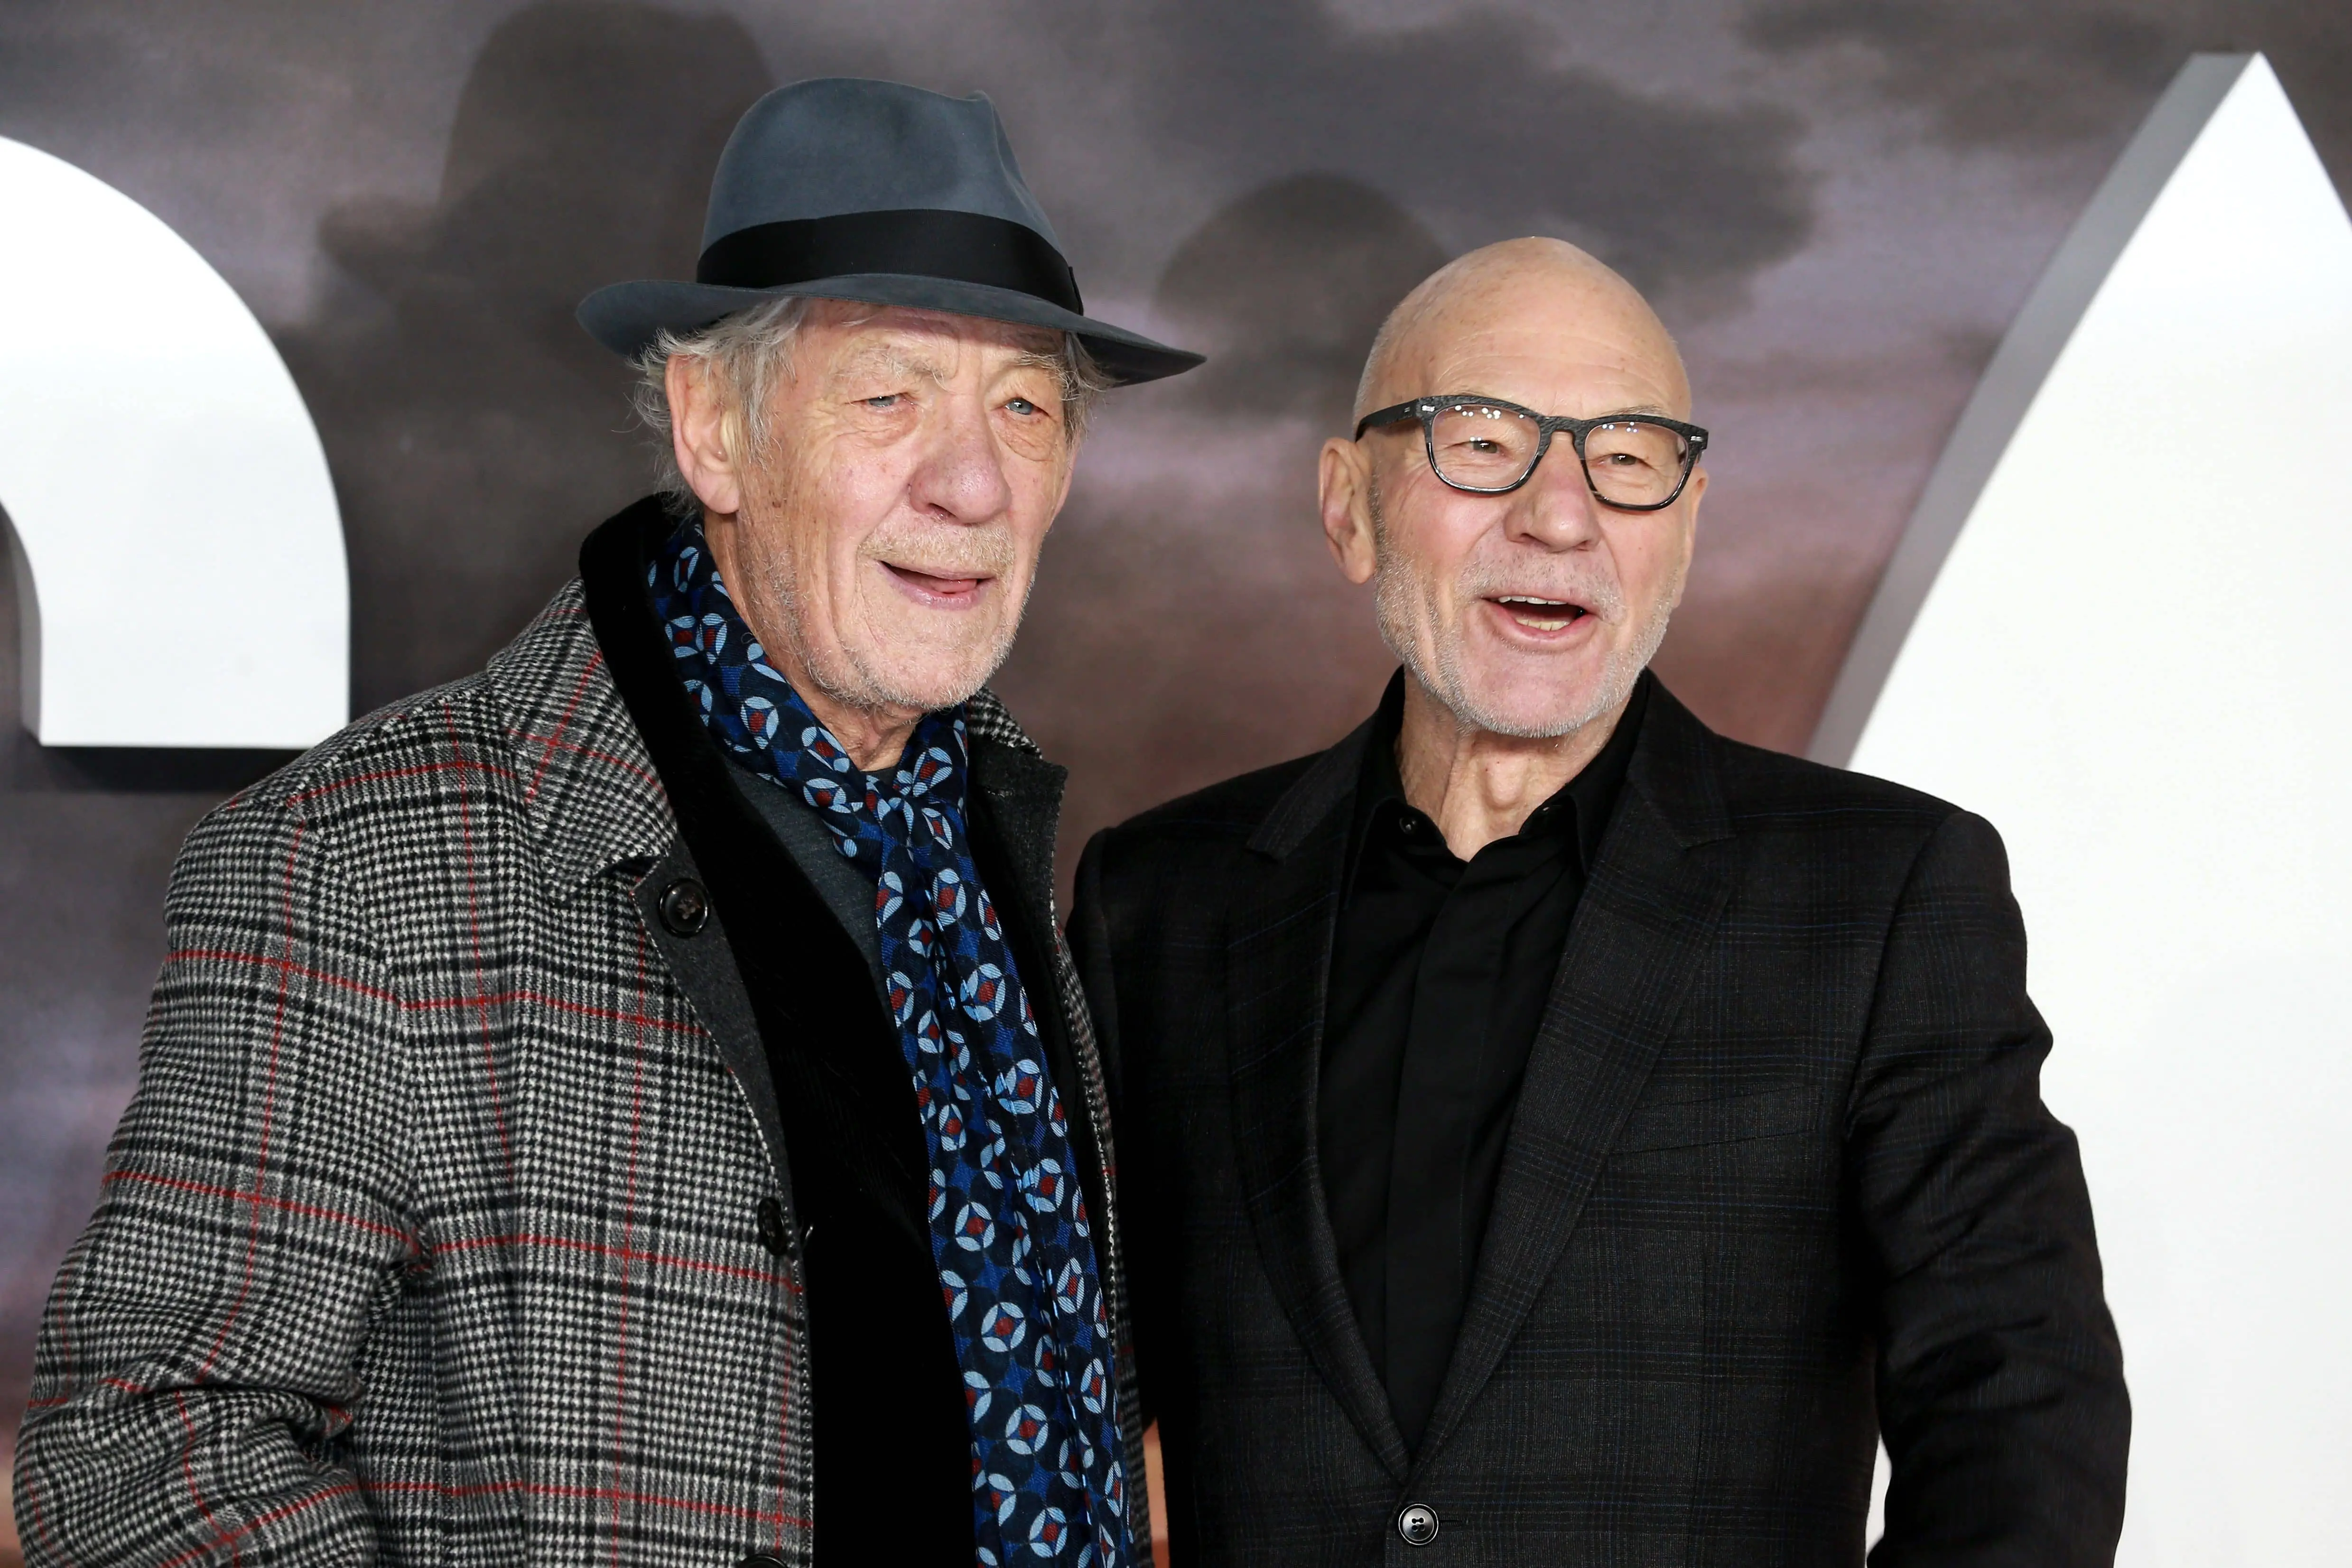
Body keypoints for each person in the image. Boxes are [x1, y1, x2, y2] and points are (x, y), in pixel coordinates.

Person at [15, 78, 1198, 1567]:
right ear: (714, 428)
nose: (968, 481)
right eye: (887, 396)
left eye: (1023, 407)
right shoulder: (359, 859)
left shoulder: (1002, 847)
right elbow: (142, 1446)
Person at [1069, 238, 2129, 1564]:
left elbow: (2019, 1401)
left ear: (1684, 525)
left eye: (1625, 458)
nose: (1559, 515)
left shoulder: (1880, 896)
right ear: (1348, 507)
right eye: (1480, 442)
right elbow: (1055, 1392)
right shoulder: (1158, 904)